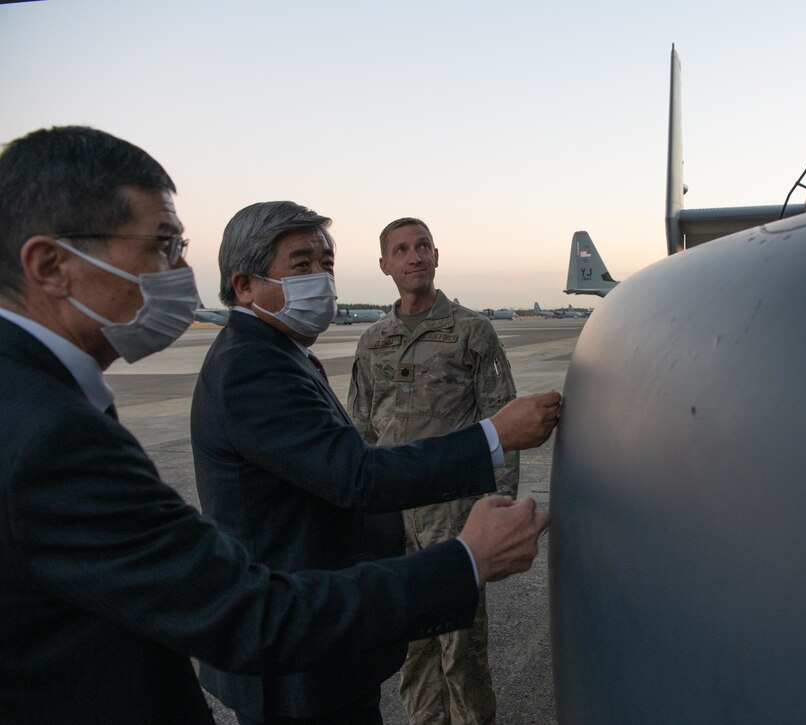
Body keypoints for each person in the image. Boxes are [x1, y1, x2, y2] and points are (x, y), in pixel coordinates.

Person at [0, 126, 555, 725]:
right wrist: (467, 556)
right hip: (296, 668)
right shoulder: (55, 429)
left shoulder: (269, 356)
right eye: (162, 245)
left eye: (326, 263)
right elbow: (255, 597)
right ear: (51, 265)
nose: (180, 269)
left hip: (316, 646)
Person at [190, 201, 561, 725]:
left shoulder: (281, 353)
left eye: (326, 263)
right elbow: (357, 466)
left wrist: (491, 501)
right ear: (245, 285)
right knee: (418, 661)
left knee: (460, 654)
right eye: (301, 264)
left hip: (362, 583)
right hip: (295, 645)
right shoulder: (254, 367)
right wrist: (494, 437)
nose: (321, 278)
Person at [347, 217, 516, 724]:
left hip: (455, 513)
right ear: (385, 265)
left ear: (437, 256)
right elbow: (361, 428)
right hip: (395, 517)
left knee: (461, 648)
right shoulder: (372, 341)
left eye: (423, 246)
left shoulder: (471, 332)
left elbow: (503, 421)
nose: (414, 256)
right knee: (412, 649)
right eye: (401, 250)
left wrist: (498, 504)